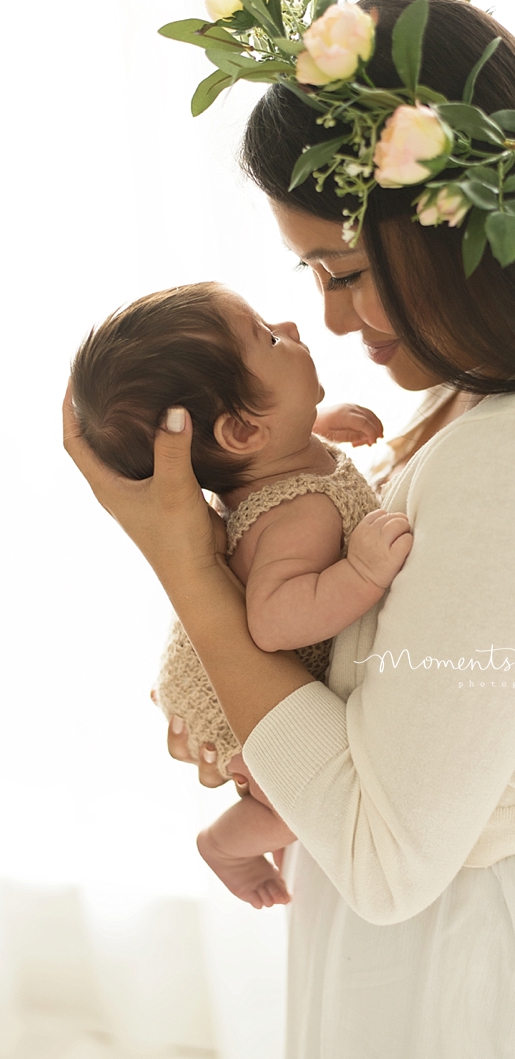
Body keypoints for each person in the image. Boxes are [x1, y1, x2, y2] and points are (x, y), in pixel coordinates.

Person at [64, 0, 515, 1059]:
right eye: (311, 283)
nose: (330, 326)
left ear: (445, 224)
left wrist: (188, 567)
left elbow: (383, 854)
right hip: (482, 938)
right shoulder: (508, 411)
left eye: (344, 270)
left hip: (479, 975)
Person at [70, 280, 412, 909]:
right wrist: (359, 575)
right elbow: (275, 623)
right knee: (290, 804)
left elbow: (287, 455)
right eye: (270, 337)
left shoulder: (279, 461)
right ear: (243, 432)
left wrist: (317, 424)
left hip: (225, 655)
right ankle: (224, 845)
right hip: (234, 694)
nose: (292, 326)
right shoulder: (295, 516)